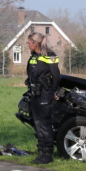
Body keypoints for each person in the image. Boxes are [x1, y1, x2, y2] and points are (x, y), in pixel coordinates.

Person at [25, 32, 61, 164]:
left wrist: (52, 91)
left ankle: (47, 154)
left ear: (35, 43)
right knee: (38, 124)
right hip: (35, 94)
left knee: (45, 125)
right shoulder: (34, 56)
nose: (28, 45)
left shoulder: (49, 56)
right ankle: (41, 152)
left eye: (29, 43)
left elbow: (56, 76)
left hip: (45, 94)